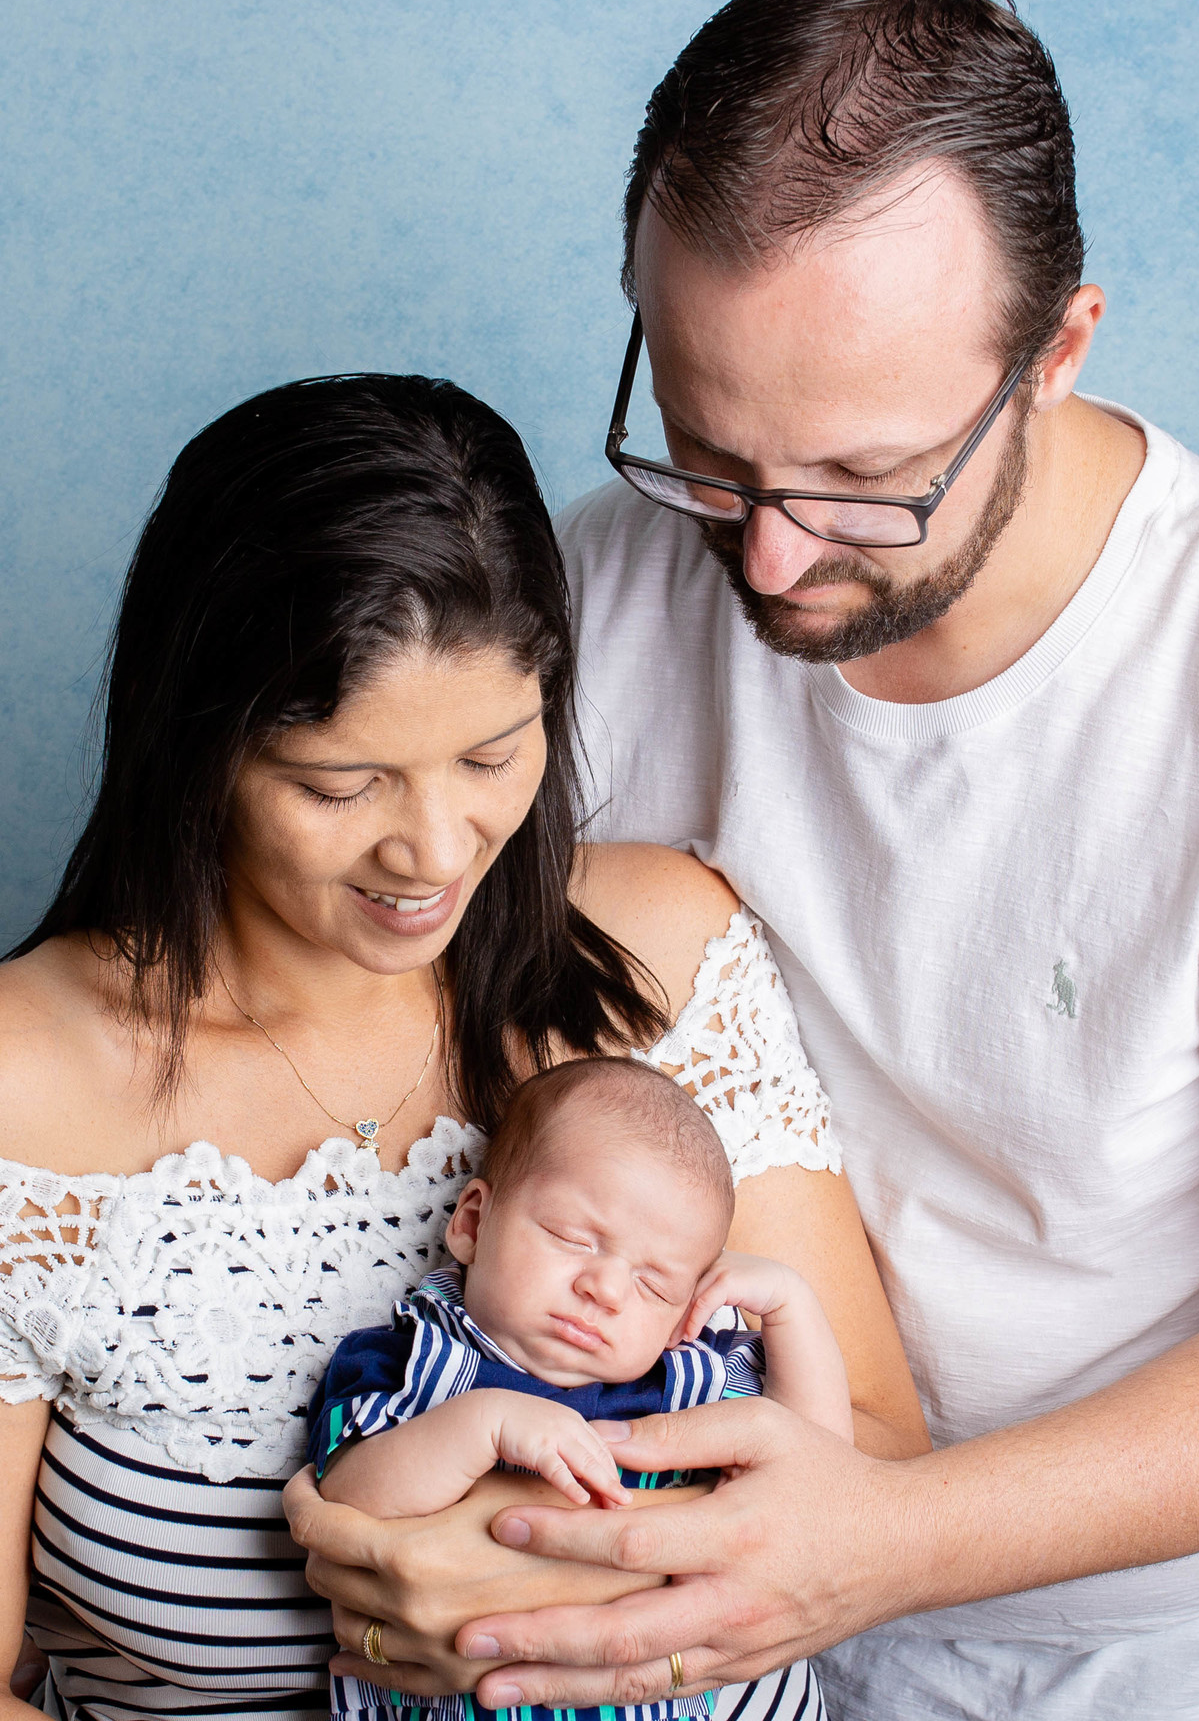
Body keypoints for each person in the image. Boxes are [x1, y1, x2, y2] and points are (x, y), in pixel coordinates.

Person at [286, 0, 1199, 1721]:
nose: (769, 563)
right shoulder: (596, 587)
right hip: (636, 1568)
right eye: (711, 455)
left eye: (866, 482)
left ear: (1061, 352)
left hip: (1111, 1646)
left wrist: (889, 1538)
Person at [0, 373, 929, 1721]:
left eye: (494, 757)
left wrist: (551, 1595)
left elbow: (881, 1470)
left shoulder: (661, 954)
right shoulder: (29, 1089)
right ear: (193, 745)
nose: (434, 857)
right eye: (340, 784)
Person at [310, 1055, 854, 1721]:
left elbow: (823, 1482)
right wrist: (482, 1425)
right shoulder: (418, 1357)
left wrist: (792, 1307)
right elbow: (346, 1503)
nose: (607, 1289)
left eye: (654, 1284)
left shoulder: (689, 1374)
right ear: (473, 1223)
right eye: (573, 1238)